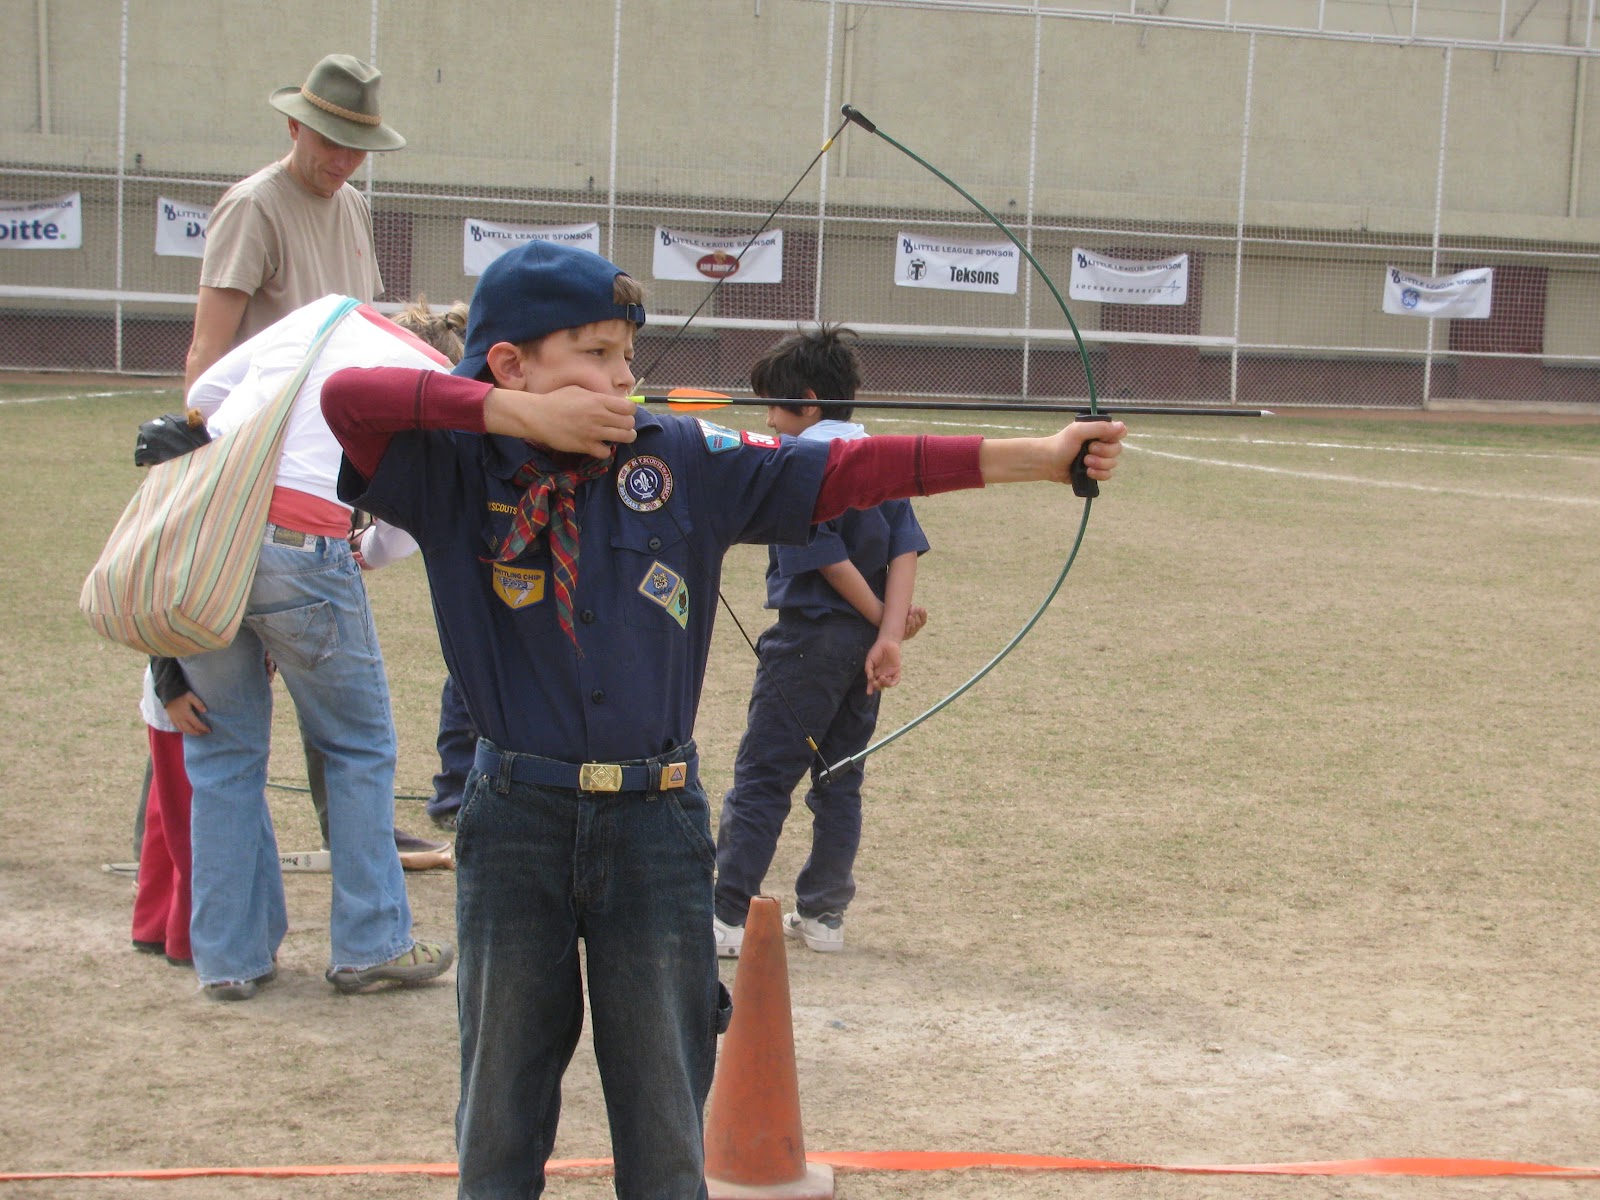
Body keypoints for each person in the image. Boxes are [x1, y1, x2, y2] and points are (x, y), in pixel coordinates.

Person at [319, 239, 1126, 1199]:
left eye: (627, 353)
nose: (625, 376)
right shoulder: (449, 468)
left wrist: (1038, 457)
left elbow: (849, 470)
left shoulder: (679, 456)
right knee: (498, 1121)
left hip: (655, 828)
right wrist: (509, 416)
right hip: (514, 821)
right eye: (596, 354)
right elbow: (348, 399)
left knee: (666, 1130)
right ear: (510, 363)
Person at [178, 51, 446, 864]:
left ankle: (355, 832)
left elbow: (360, 330)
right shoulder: (253, 207)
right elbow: (206, 353)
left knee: (329, 687)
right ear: (293, 124)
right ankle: (179, 863)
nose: (342, 160)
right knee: (213, 701)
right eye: (329, 140)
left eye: (358, 145)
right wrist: (190, 482)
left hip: (326, 464)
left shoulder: (352, 205)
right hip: (249, 468)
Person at [178, 293, 459, 1001]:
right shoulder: (429, 375)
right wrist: (357, 554)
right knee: (357, 748)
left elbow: (207, 393)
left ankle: (228, 957)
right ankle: (371, 942)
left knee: (221, 754)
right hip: (303, 543)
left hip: (205, 537)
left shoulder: (325, 314)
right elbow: (414, 517)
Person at [711, 325, 929, 959]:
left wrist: (882, 621)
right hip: (864, 649)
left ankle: (725, 916)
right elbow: (905, 546)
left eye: (775, 408)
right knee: (839, 779)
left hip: (810, 641)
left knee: (762, 777)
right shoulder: (875, 456)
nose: (770, 423)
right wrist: (887, 630)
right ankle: (824, 916)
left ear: (807, 404)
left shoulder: (800, 466)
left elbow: (828, 558)